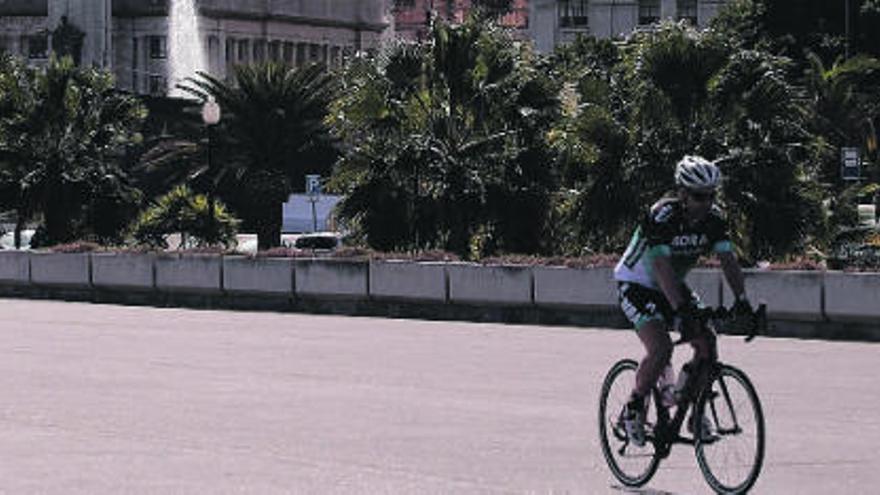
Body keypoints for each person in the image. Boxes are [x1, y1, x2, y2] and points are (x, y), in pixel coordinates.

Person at [613, 155, 753, 446]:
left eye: (712, 196)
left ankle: (692, 406)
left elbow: (728, 260)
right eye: (700, 196)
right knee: (661, 347)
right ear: (682, 194)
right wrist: (680, 309)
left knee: (707, 343)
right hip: (637, 283)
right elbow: (661, 267)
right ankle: (634, 407)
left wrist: (742, 300)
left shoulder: (713, 220)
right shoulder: (663, 215)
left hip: (671, 286)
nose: (706, 203)